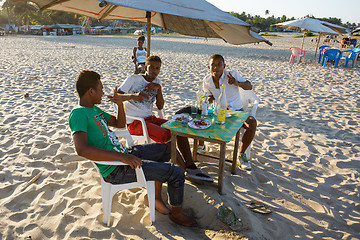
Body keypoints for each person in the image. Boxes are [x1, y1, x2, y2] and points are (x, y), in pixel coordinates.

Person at [68, 70, 196, 227]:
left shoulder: (94, 110)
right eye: (101, 89)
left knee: (165, 149)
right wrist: (121, 158)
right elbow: (81, 149)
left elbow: (119, 124)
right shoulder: (79, 113)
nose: (103, 93)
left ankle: (153, 197)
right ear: (91, 91)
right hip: (116, 169)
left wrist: (120, 105)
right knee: (175, 172)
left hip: (125, 154)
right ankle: (177, 215)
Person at [117, 55, 213, 182]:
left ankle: (190, 166)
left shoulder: (158, 82)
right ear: (145, 67)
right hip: (135, 122)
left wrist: (159, 88)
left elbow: (160, 106)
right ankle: (185, 170)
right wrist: (134, 96)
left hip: (150, 118)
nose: (154, 71)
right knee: (165, 135)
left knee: (180, 128)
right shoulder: (134, 79)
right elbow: (116, 95)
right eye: (152, 68)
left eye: (158, 69)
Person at [201, 54, 257, 171]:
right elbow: (208, 96)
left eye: (219, 64)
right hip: (218, 113)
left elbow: (249, 86)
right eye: (213, 65)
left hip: (237, 112)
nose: (216, 67)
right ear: (208, 67)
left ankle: (241, 155)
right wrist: (210, 98)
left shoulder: (232, 75)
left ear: (224, 66)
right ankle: (200, 146)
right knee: (200, 116)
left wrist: (237, 83)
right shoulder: (207, 80)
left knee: (252, 123)